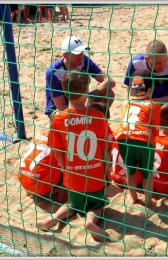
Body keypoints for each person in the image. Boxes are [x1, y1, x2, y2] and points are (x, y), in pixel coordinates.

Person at [38, 70, 115, 242]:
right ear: (86, 91)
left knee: (71, 205)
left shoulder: (58, 119)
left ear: (65, 92)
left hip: (74, 177)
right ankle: (90, 221)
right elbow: (107, 149)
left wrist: (66, 170)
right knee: (99, 206)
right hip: (96, 176)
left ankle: (53, 218)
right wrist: (107, 171)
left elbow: (58, 152)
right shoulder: (98, 116)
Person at [116, 69, 161, 207]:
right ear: (150, 89)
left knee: (131, 171)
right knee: (148, 173)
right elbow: (155, 130)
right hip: (143, 141)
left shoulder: (125, 103)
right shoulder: (154, 105)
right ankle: (148, 200)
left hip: (123, 139)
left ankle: (133, 196)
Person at [44, 35, 116, 117]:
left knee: (109, 93)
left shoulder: (84, 60)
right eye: (77, 53)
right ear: (65, 55)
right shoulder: (53, 72)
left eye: (82, 52)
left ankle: (100, 123)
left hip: (80, 102)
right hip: (58, 110)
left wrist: (93, 94)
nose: (81, 56)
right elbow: (61, 108)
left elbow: (110, 81)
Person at [18, 131, 66, 201]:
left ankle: (31, 190)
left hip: (24, 181)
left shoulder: (39, 135)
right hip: (41, 187)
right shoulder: (60, 139)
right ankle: (64, 195)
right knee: (72, 164)